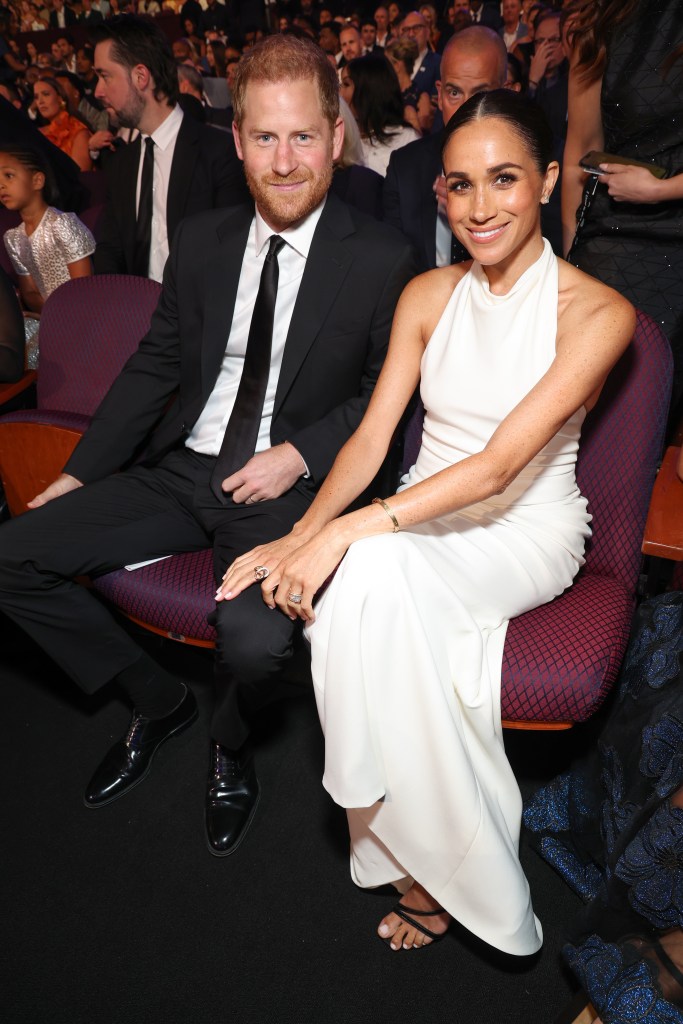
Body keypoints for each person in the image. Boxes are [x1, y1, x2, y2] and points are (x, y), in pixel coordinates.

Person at [219, 88, 634, 953]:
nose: (480, 208)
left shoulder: (598, 313)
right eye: (459, 185)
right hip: (417, 511)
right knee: (366, 573)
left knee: (360, 570)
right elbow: (372, 442)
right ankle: (432, 859)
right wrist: (302, 533)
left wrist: (343, 535)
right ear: (438, 192)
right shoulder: (426, 295)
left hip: (524, 526)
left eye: (505, 179)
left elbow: (498, 466)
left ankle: (397, 839)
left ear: (548, 178)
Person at [0, 34, 415, 859]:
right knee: (12, 557)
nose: (286, 160)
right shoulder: (202, 239)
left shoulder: (382, 259)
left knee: (257, 645)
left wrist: (297, 455)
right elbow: (154, 364)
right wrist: (81, 473)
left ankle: (230, 739)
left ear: (336, 137)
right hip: (182, 465)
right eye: (265, 136)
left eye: (304, 136)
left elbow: (388, 400)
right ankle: (159, 703)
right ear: (238, 141)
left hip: (286, 488)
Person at [561, 0, 683, 432]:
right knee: (583, 413)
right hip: (612, 229)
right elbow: (581, 147)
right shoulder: (599, 19)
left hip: (678, 235)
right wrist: (573, 260)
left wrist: (665, 189)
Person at [90, 14, 248, 280]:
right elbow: (110, 253)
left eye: (105, 76)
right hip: (135, 313)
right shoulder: (121, 162)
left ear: (141, 76)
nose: (97, 91)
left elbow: (233, 259)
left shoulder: (219, 153)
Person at [383, 25, 507, 272]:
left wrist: (473, 214)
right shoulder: (405, 166)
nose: (465, 110)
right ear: (438, 95)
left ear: (507, 93)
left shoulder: (532, 170)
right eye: (454, 93)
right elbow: (391, 270)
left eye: (480, 94)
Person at [0, 144, 94, 368]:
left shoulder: (62, 224)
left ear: (37, 181)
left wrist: (58, 319)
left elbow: (84, 289)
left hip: (82, 319)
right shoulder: (13, 237)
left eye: (9, 175)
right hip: (48, 318)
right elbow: (30, 292)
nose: (1, 184)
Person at [340, 55, 420, 177]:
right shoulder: (341, 142)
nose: (339, 93)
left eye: (346, 84)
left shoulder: (406, 140)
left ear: (368, 90)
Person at [33, 76, 93, 171]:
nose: (40, 101)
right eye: (36, 97)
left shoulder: (77, 130)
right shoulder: (38, 133)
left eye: (46, 94)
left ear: (60, 98)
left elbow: (82, 175)